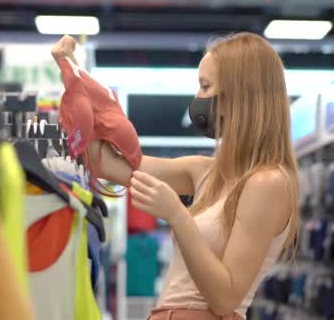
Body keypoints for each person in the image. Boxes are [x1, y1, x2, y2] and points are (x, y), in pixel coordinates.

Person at [51, 32, 299, 320]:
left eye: (206, 87)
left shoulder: (268, 183)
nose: (198, 98)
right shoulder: (205, 171)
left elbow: (225, 299)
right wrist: (73, 76)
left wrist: (177, 215)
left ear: (240, 95)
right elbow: (101, 162)